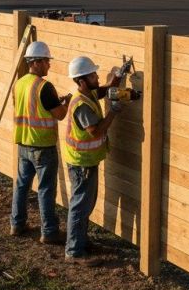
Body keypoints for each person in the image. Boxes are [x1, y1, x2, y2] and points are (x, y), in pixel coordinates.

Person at [62, 56, 129, 266]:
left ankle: (81, 242)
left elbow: (105, 90)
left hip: (86, 161)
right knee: (80, 206)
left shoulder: (88, 94)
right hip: (81, 163)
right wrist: (113, 112)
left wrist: (118, 76)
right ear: (81, 81)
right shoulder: (81, 105)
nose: (97, 77)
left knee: (86, 204)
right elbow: (95, 131)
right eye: (93, 76)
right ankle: (74, 251)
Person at [10, 40, 71, 244]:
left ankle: (16, 224)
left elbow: (30, 107)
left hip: (23, 144)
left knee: (21, 185)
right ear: (35, 62)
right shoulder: (45, 86)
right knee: (45, 190)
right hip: (43, 146)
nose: (49, 65)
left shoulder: (19, 84)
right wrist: (66, 103)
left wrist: (55, 100)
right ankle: (49, 232)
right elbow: (60, 115)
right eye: (46, 61)